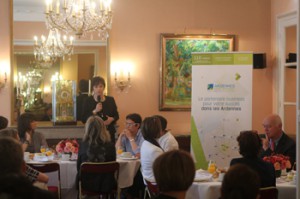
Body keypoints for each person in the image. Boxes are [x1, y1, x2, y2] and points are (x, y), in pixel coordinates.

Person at [76, 115, 116, 193]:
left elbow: (79, 168)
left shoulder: (83, 145)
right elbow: (113, 167)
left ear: (87, 129)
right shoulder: (110, 146)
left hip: (86, 184)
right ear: (103, 128)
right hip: (107, 184)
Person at [82, 76, 119, 143]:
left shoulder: (110, 100)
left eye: (100, 86)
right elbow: (83, 119)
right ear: (93, 88)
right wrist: (95, 111)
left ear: (104, 87)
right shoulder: (88, 100)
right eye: (96, 87)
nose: (98, 89)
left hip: (109, 132)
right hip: (94, 133)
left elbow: (116, 115)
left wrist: (112, 119)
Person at [140, 116, 164, 182]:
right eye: (160, 128)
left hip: (149, 182)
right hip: (157, 184)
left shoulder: (145, 143)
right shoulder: (155, 150)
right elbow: (164, 170)